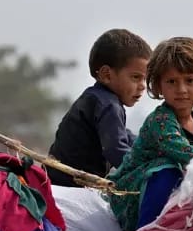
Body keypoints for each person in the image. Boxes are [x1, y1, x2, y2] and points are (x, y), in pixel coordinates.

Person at [108, 36, 193, 231]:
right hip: (132, 196)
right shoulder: (160, 121)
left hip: (176, 199)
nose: (181, 89)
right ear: (158, 86)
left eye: (189, 80)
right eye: (172, 81)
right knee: (168, 169)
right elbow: (185, 152)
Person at [47, 29, 152, 187]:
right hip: (71, 185)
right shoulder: (108, 105)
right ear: (107, 75)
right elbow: (116, 149)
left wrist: (148, 143)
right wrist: (148, 172)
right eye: (136, 77)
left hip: (55, 177)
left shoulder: (95, 98)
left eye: (145, 79)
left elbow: (123, 135)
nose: (143, 86)